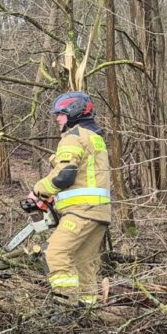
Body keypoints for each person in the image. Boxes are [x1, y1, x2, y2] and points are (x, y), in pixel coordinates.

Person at [30, 91, 112, 307]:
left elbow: (65, 175)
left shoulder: (73, 137)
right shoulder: (94, 138)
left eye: (61, 114)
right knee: (84, 263)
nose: (57, 119)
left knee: (56, 253)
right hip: (99, 213)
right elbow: (81, 176)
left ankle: (65, 307)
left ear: (73, 112)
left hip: (82, 211)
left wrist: (38, 190)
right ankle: (87, 310)